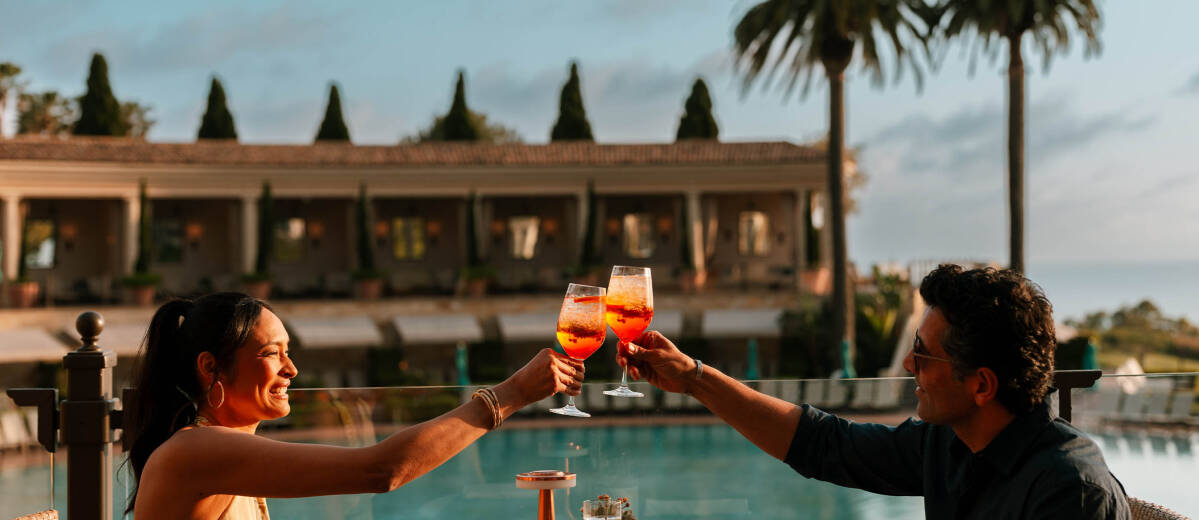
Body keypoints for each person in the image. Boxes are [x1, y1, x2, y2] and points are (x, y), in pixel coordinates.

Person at [618, 264, 1130, 519]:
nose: (908, 365)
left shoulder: (1069, 494)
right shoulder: (952, 443)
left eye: (923, 354)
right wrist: (692, 378)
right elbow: (823, 444)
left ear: (981, 384)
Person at [125, 292, 584, 519]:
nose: (292, 370)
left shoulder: (218, 451)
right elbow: (379, 471)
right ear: (211, 368)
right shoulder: (195, 451)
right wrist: (511, 394)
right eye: (271, 354)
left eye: (289, 351)